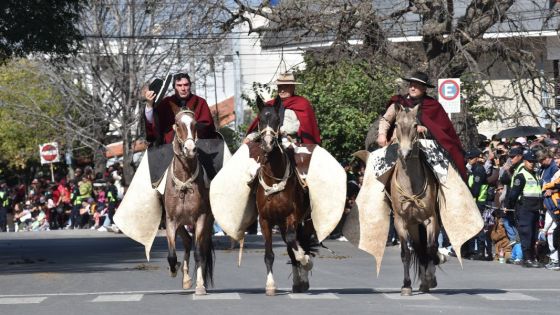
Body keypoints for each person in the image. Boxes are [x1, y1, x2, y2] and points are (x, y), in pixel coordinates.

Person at [376, 71, 466, 180]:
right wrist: (382, 134)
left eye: (417, 86)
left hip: (425, 145)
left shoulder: (433, 105)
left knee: (444, 175)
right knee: (377, 173)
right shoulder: (399, 102)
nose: (413, 88)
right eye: (411, 85)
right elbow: (386, 120)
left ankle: (448, 194)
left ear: (424, 89)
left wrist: (425, 129)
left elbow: (441, 130)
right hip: (397, 144)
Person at [245, 72, 321, 145]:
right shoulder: (269, 106)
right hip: (270, 143)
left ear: (293, 87)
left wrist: (282, 130)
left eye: (286, 87)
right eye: (280, 87)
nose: (282, 90)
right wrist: (249, 137)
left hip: (294, 145)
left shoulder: (302, 104)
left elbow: (303, 127)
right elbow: (261, 126)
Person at [144, 72, 216, 145]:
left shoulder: (200, 102)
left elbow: (208, 126)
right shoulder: (166, 103)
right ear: (174, 87)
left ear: (190, 86)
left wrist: (189, 127)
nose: (183, 88)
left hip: (197, 146)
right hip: (169, 149)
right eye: (179, 85)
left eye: (186, 85)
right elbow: (154, 124)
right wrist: (149, 105)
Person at [506, 151, 543, 268]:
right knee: (526, 234)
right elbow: (513, 195)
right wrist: (510, 208)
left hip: (535, 209)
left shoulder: (535, 174)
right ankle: (527, 259)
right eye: (529, 161)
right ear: (524, 161)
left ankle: (531, 258)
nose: (532, 164)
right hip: (524, 209)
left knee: (533, 234)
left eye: (533, 162)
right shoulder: (521, 176)